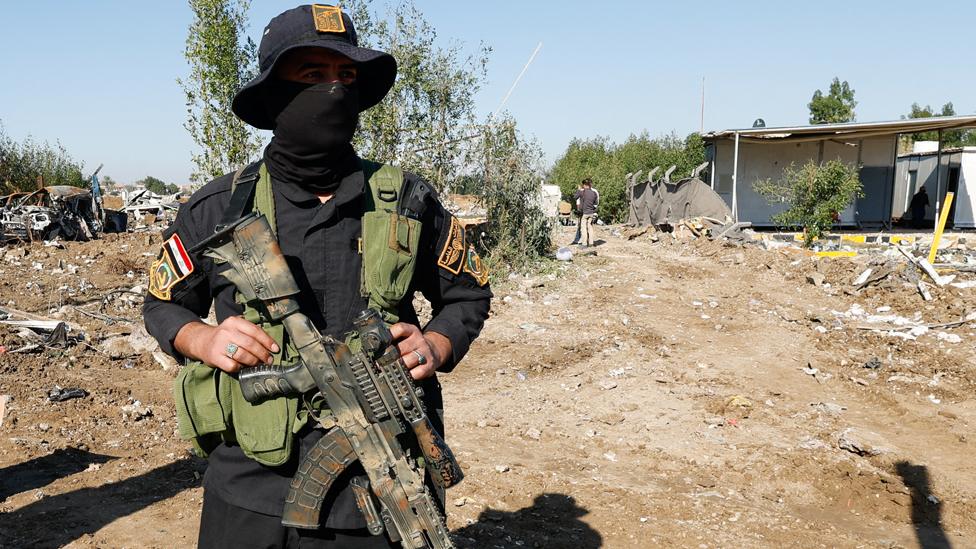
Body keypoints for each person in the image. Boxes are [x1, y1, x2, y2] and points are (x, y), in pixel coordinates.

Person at [142, 5, 491, 548]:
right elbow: (162, 304)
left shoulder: (407, 201)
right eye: (312, 76)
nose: (334, 90)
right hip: (249, 487)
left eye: (346, 77)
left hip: (380, 484)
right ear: (275, 95)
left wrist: (438, 343)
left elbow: (467, 293)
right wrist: (204, 338)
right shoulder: (216, 209)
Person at [570, 180, 599, 245]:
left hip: (584, 213)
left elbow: (575, 197)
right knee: (590, 227)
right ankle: (591, 243)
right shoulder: (594, 193)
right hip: (591, 213)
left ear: (584, 185)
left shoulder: (582, 192)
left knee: (583, 228)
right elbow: (596, 203)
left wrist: (578, 190)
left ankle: (584, 243)